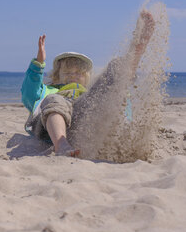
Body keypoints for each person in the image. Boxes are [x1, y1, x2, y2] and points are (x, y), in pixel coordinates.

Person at [21, 10, 155, 157]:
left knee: (115, 72)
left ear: (87, 77)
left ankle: (135, 52)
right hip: (51, 125)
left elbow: (121, 100)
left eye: (79, 73)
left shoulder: (88, 91)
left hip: (85, 120)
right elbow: (29, 92)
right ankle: (61, 145)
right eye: (67, 72)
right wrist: (38, 64)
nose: (73, 76)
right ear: (57, 76)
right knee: (55, 100)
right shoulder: (49, 90)